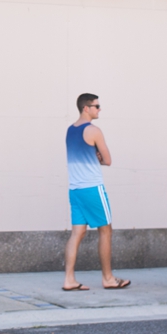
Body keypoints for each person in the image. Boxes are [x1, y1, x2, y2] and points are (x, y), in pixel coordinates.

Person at [62, 93, 130, 291]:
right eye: (96, 106)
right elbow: (107, 160)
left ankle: (69, 279)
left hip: (75, 189)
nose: (99, 109)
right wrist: (97, 156)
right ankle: (108, 278)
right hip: (92, 188)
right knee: (105, 231)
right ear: (86, 108)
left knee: (77, 233)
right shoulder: (94, 131)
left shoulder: (70, 130)